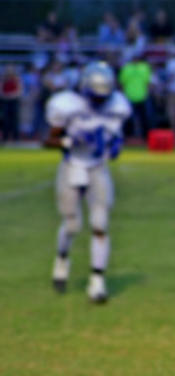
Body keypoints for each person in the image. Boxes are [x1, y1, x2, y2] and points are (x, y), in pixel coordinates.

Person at [44, 61, 131, 303]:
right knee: (72, 225)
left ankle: (97, 282)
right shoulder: (66, 105)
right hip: (73, 166)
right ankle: (62, 259)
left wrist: (115, 145)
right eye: (96, 97)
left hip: (97, 167)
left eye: (103, 98)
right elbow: (48, 141)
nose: (100, 103)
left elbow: (116, 134)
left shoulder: (117, 105)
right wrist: (71, 141)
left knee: (100, 224)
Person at [118, 53, 154, 139]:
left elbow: (148, 82)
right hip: (129, 96)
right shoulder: (126, 68)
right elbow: (122, 83)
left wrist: (148, 93)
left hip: (142, 96)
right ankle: (127, 136)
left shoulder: (144, 67)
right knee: (128, 118)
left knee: (145, 118)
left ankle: (146, 136)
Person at [1, 64, 24, 143]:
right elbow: (1, 90)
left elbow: (20, 90)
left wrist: (12, 95)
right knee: (6, 120)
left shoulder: (17, 79)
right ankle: (5, 137)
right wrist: (6, 96)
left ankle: (16, 137)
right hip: (5, 101)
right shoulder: (3, 79)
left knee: (15, 120)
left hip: (14, 101)